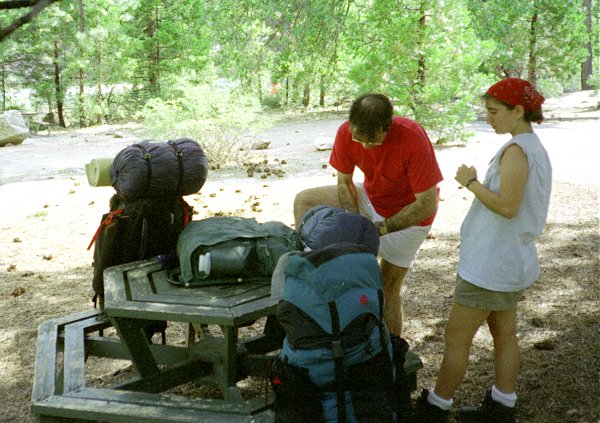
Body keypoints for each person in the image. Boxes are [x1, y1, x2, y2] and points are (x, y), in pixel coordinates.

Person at [414, 78, 552, 423]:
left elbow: (508, 206)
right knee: (504, 332)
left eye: (493, 112)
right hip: (508, 260)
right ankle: (503, 405)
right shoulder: (530, 147)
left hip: (492, 264)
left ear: (518, 111)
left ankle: (437, 406)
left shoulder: (517, 151)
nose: (488, 118)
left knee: (456, 335)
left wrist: (471, 183)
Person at [294, 93, 443, 338]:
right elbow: (344, 183)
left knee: (386, 288)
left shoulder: (412, 137)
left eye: (371, 142)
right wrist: (355, 222)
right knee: (305, 200)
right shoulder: (345, 132)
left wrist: (381, 228)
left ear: (388, 126)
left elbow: (427, 204)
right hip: (371, 197)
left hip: (410, 215)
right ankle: (309, 268)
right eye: (358, 138)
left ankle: (392, 353)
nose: (364, 147)